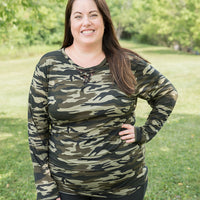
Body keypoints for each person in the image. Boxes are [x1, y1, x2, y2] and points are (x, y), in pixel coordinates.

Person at [28, 0, 178, 199]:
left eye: (93, 15)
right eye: (78, 16)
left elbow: (167, 93)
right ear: (69, 23)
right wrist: (45, 187)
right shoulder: (49, 64)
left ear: (105, 21)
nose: (86, 22)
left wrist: (145, 132)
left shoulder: (127, 63)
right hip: (67, 190)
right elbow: (37, 130)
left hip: (125, 187)